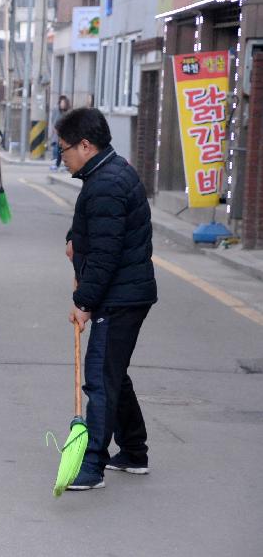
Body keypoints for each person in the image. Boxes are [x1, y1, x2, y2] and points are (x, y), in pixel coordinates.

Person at [57, 107, 158, 491]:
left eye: (64, 149)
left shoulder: (106, 183)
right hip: (126, 293)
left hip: (119, 297)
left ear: (86, 145)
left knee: (99, 377)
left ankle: (92, 464)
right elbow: (94, 227)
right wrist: (74, 238)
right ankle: (133, 451)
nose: (61, 156)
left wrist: (84, 302)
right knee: (114, 372)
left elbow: (105, 254)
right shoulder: (106, 172)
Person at [50, 95, 71, 171]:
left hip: (66, 134)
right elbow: (54, 122)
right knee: (58, 150)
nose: (62, 104)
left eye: (64, 103)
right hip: (59, 134)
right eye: (61, 103)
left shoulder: (68, 112)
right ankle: (56, 165)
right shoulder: (57, 110)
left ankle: (67, 165)